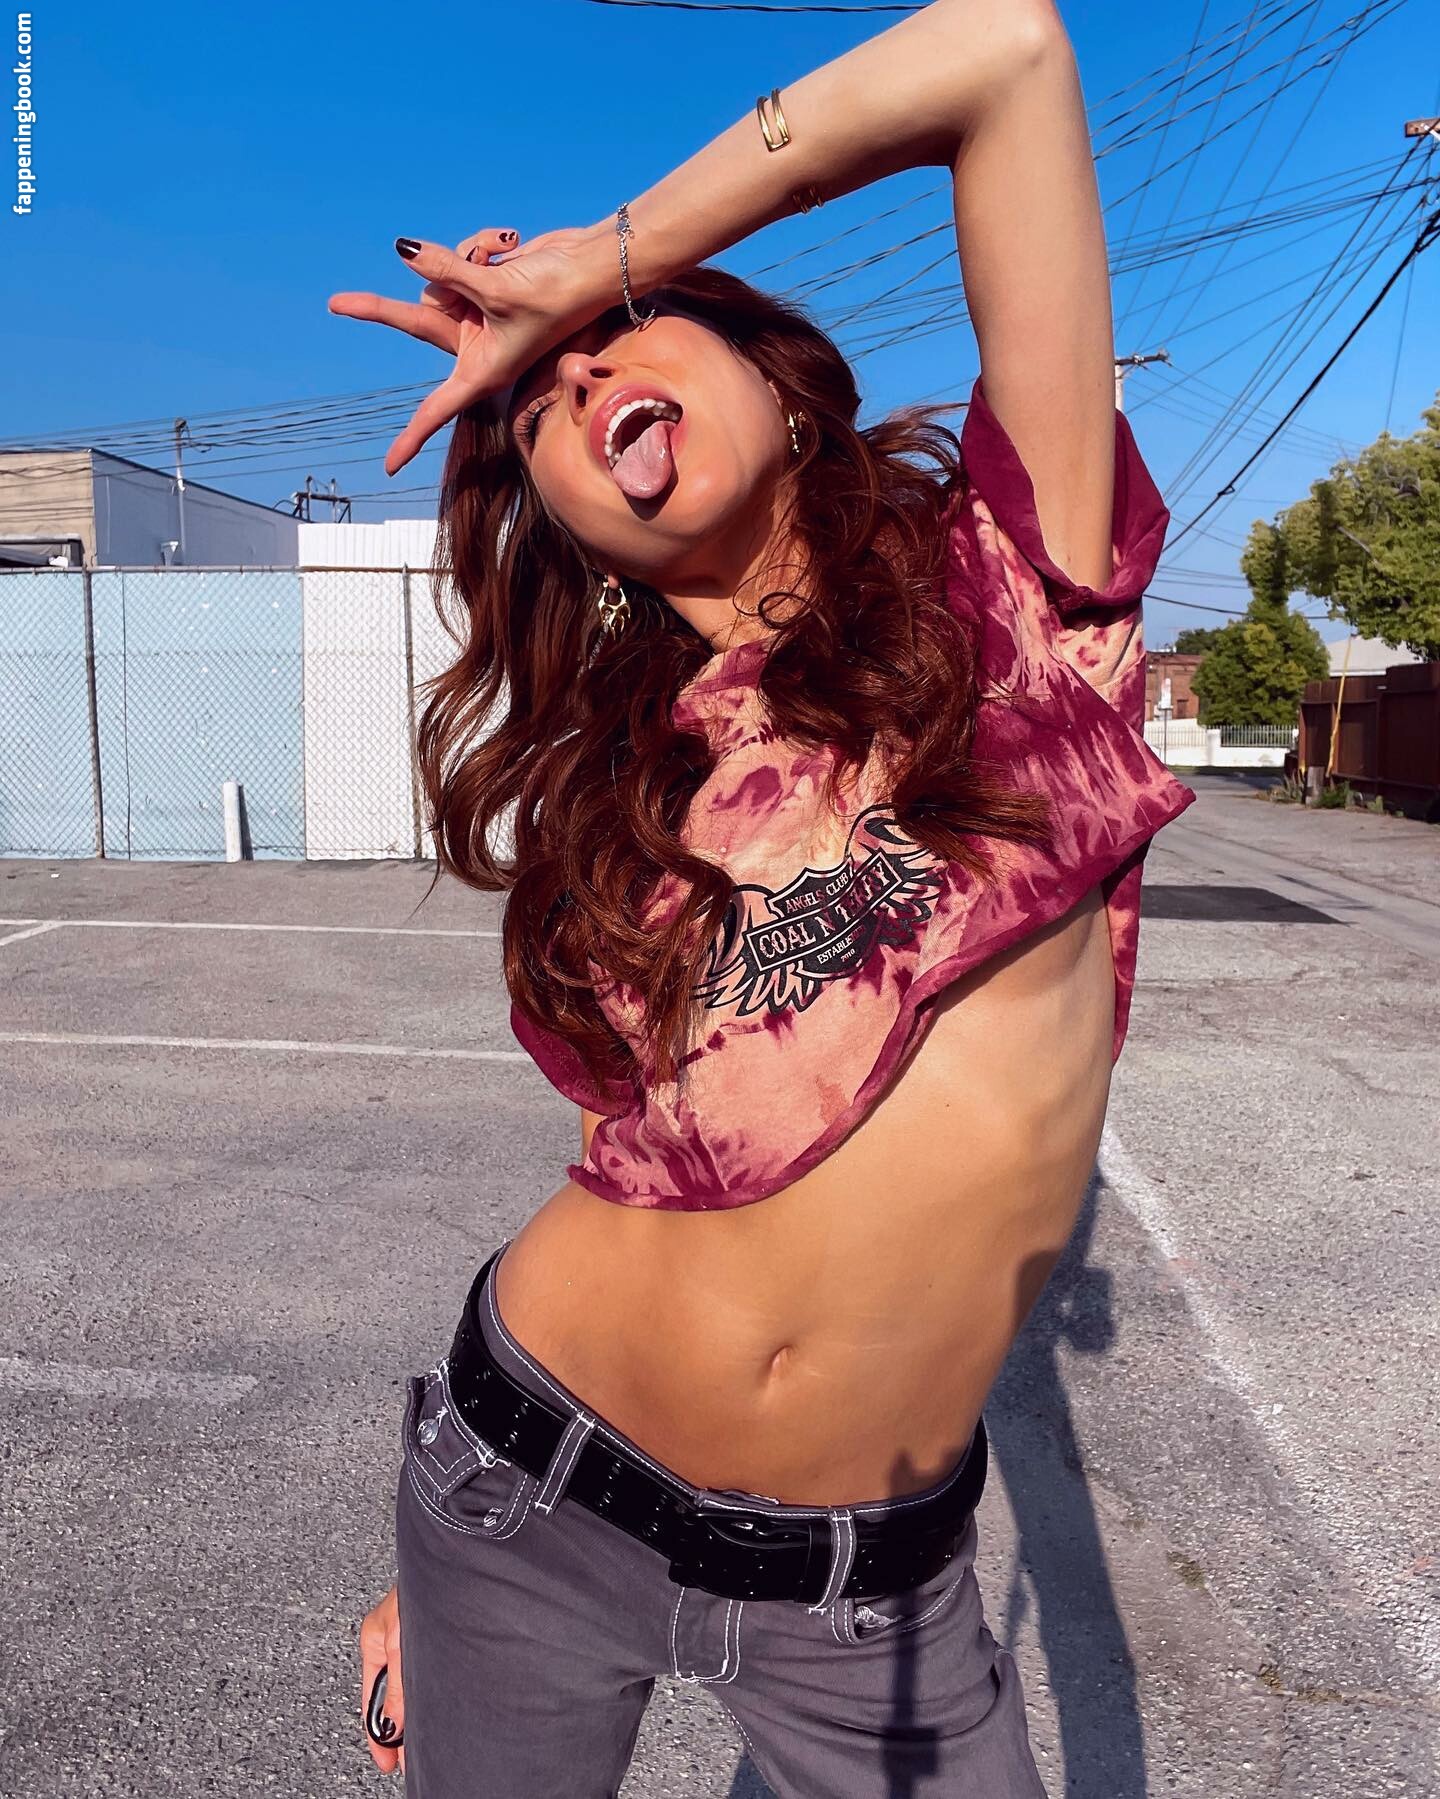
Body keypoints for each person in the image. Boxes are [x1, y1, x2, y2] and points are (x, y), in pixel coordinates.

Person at [329, 0, 1194, 1791]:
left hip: (868, 1600)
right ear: (578, 541)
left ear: (787, 392)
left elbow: (1004, 53)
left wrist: (590, 268)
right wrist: (436, 1573)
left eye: (617, 345)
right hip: (519, 1496)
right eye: (544, 410)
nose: (581, 385)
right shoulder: (633, 797)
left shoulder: (1015, 590)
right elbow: (643, 1158)